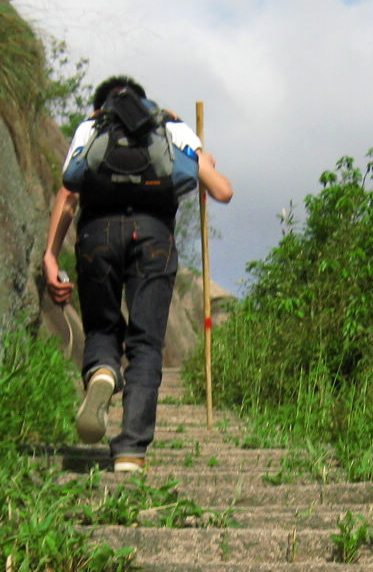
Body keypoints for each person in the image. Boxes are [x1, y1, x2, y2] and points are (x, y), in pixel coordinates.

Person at [43, 76, 233, 472]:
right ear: (144, 102)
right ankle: (131, 449)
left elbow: (68, 193)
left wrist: (49, 256)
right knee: (146, 343)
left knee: (101, 329)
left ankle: (103, 373)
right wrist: (202, 161)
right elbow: (222, 191)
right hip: (153, 236)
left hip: (98, 233)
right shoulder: (169, 126)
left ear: (102, 105)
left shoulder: (92, 127)